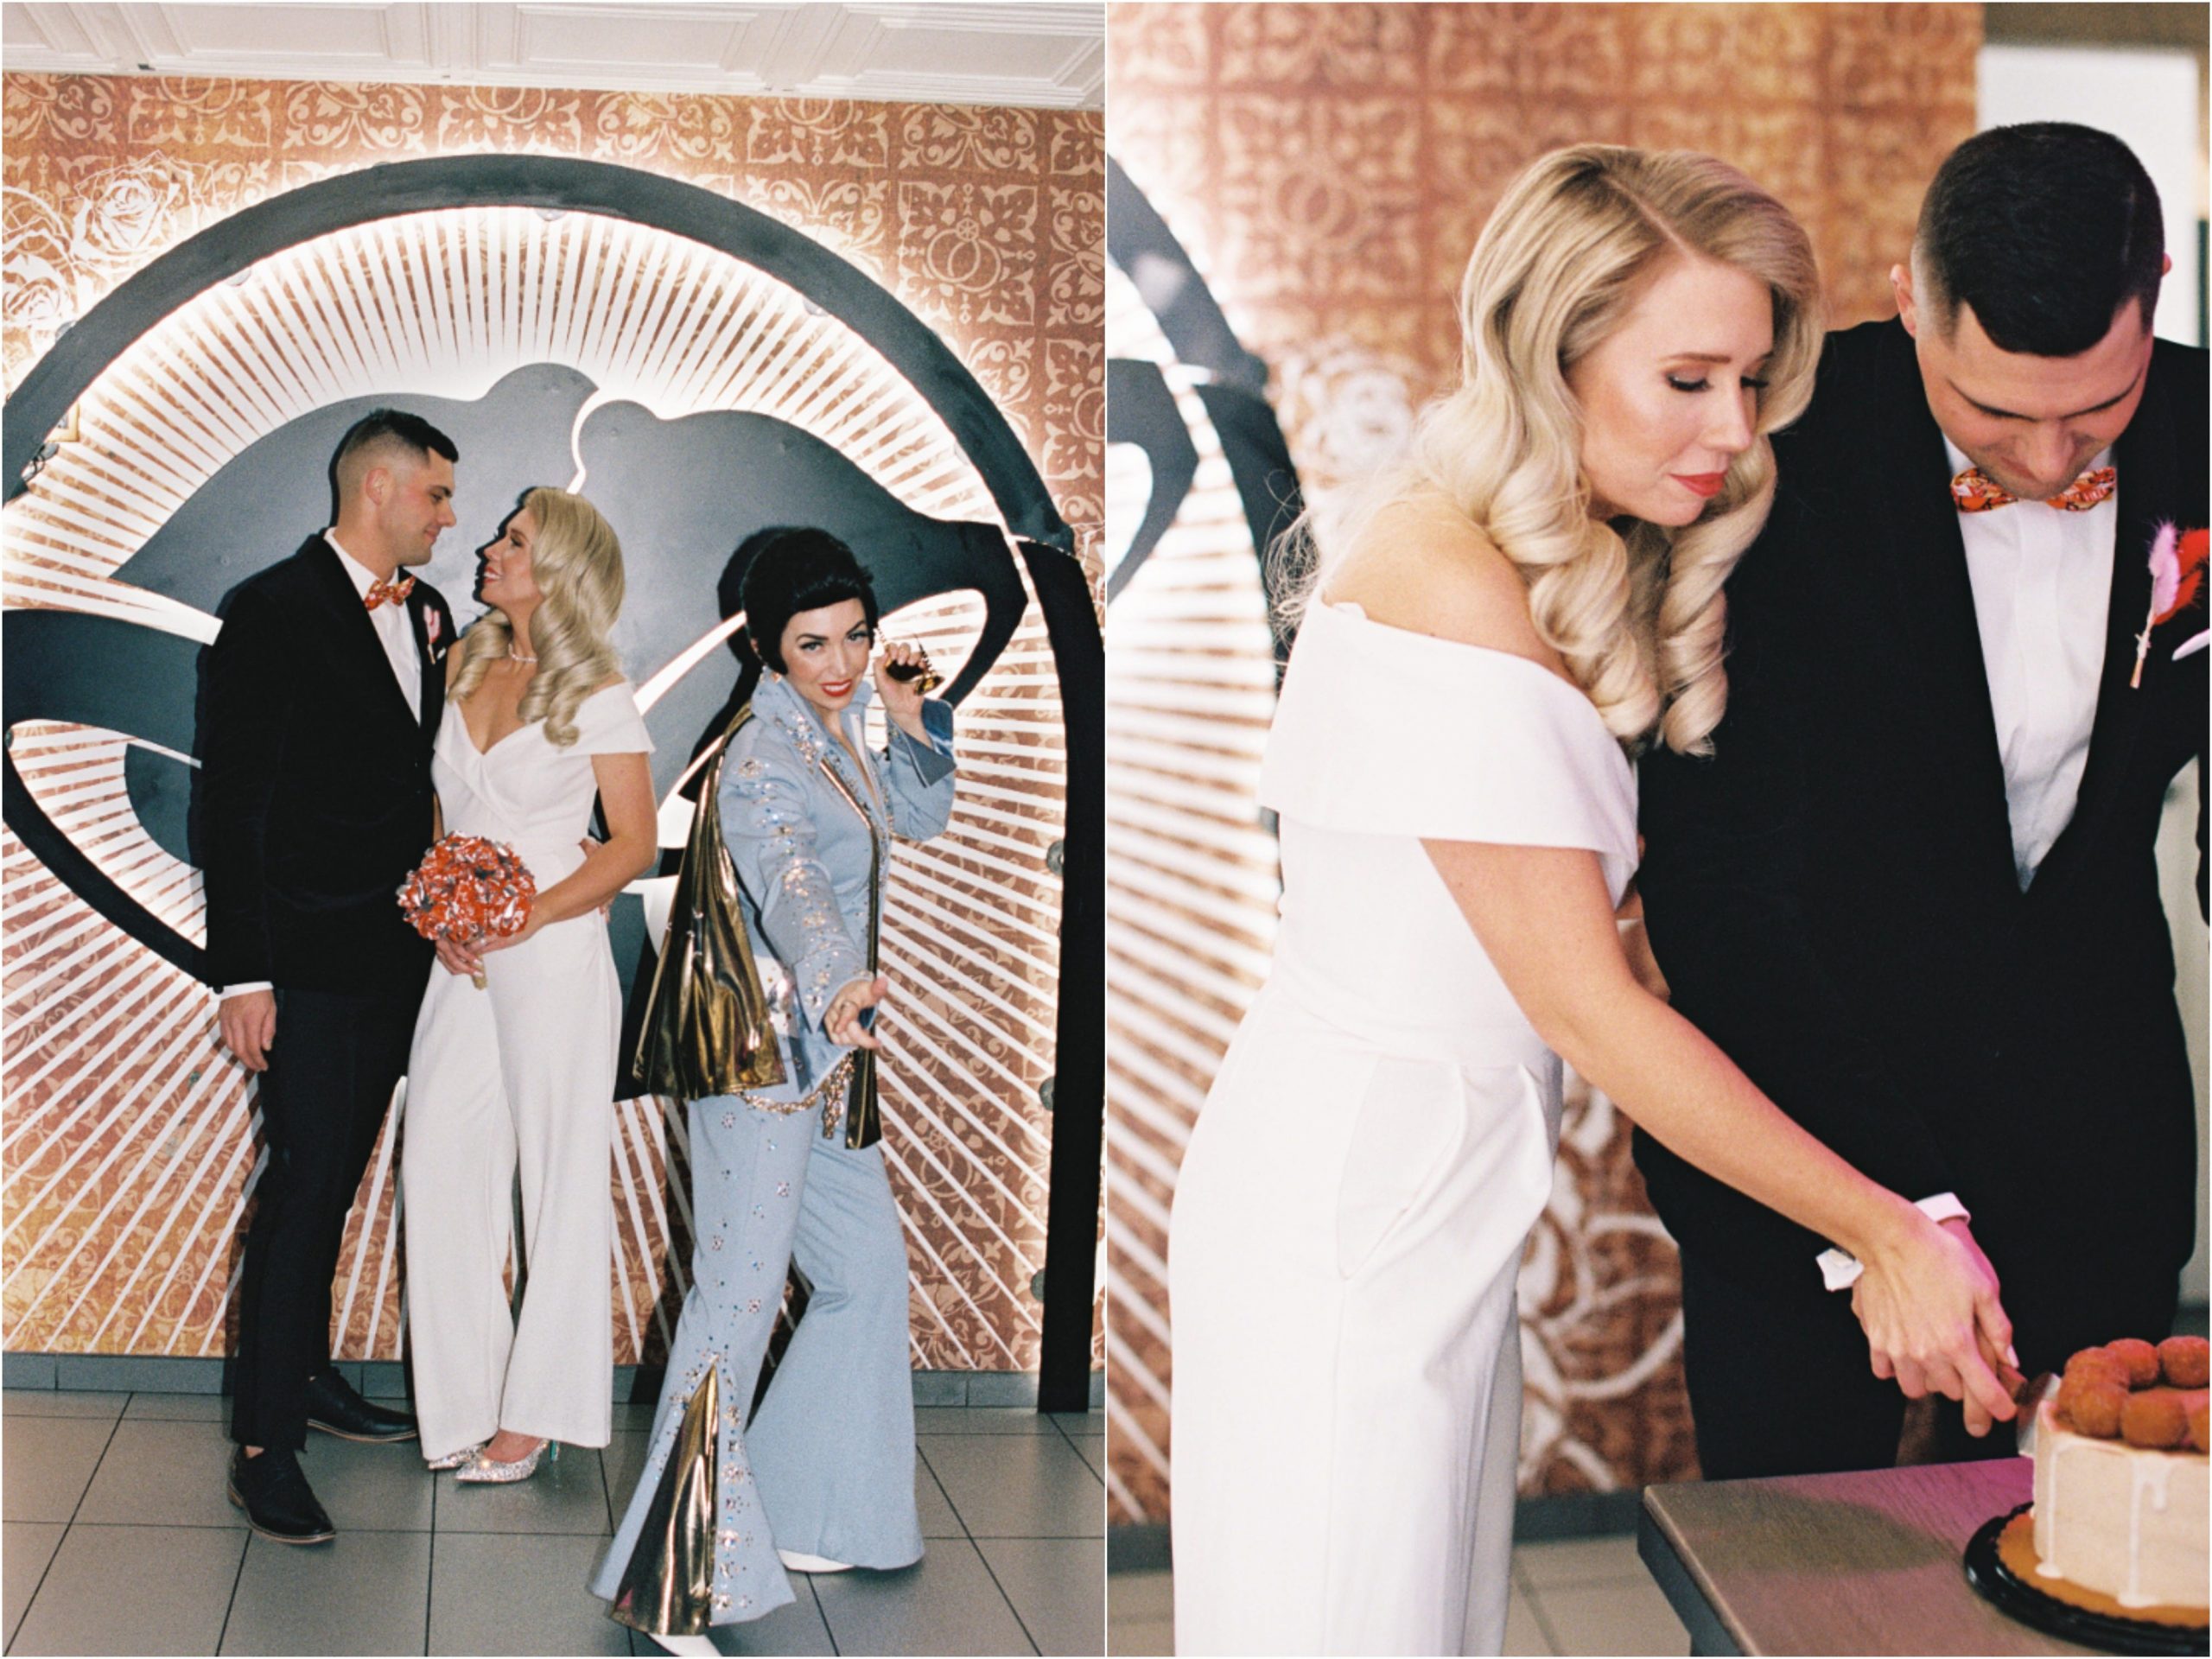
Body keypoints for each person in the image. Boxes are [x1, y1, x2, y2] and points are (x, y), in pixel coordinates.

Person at [1168, 145, 2020, 1657]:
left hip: (1432, 1188)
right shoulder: (1453, 593)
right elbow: (1595, 1005)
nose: (1734, 432)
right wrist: (1884, 1232)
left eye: (1752, 381)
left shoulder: (1527, 553)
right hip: (1355, 1207)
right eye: (1687, 379)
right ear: (1542, 354)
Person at [1636, 123, 2208, 1482]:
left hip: (2095, 1127)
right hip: (1811, 1117)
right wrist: (1891, 1218)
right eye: (1996, 412)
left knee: (2100, 1550)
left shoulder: (2207, 434)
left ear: (2160, 294)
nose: (2051, 455)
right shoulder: (1766, 457)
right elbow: (1721, 885)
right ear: (1909, 301)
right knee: (1802, 1573)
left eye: (2097, 409)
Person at [592, 528, 957, 1649]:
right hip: (763, 1069)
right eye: (815, 643)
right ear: (768, 645)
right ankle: (673, 1577)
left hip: (825, 1063)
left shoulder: (833, 726)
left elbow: (919, 814)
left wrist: (911, 722)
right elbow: (791, 877)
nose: (842, 660)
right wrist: (841, 979)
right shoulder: (761, 752)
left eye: (855, 636)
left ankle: (809, 1504)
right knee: (736, 1305)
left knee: (863, 1277)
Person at [202, 408, 459, 1544]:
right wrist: (242, 974)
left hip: (404, 960)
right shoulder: (268, 610)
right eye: (437, 497)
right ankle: (265, 1447)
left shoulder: (432, 613)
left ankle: (305, 1374)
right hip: (306, 967)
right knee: (307, 1190)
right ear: (379, 489)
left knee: (337, 1184)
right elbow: (232, 808)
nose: (451, 518)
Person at [400, 487, 658, 1481]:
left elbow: (630, 842)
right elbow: (443, 809)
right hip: (463, 958)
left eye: (514, 541)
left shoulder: (599, 690)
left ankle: (539, 1410)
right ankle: (463, 1402)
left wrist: (533, 913)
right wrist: (444, 917)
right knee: (440, 1166)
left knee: (557, 1176)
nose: (489, 551)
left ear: (558, 571)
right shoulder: (462, 660)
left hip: (550, 953)